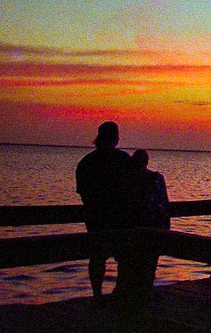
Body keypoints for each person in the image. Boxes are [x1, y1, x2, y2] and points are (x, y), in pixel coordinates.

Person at [75, 121, 131, 300]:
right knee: (123, 257)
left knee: (98, 258)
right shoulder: (123, 160)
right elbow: (133, 188)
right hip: (119, 219)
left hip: (95, 218)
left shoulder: (86, 162)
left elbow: (83, 193)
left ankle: (97, 294)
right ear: (115, 138)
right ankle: (119, 291)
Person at [117, 149, 169, 314]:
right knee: (149, 262)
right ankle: (144, 293)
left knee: (127, 263)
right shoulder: (157, 178)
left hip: (132, 226)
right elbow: (163, 203)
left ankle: (127, 295)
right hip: (152, 225)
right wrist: (165, 223)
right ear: (147, 162)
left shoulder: (127, 180)